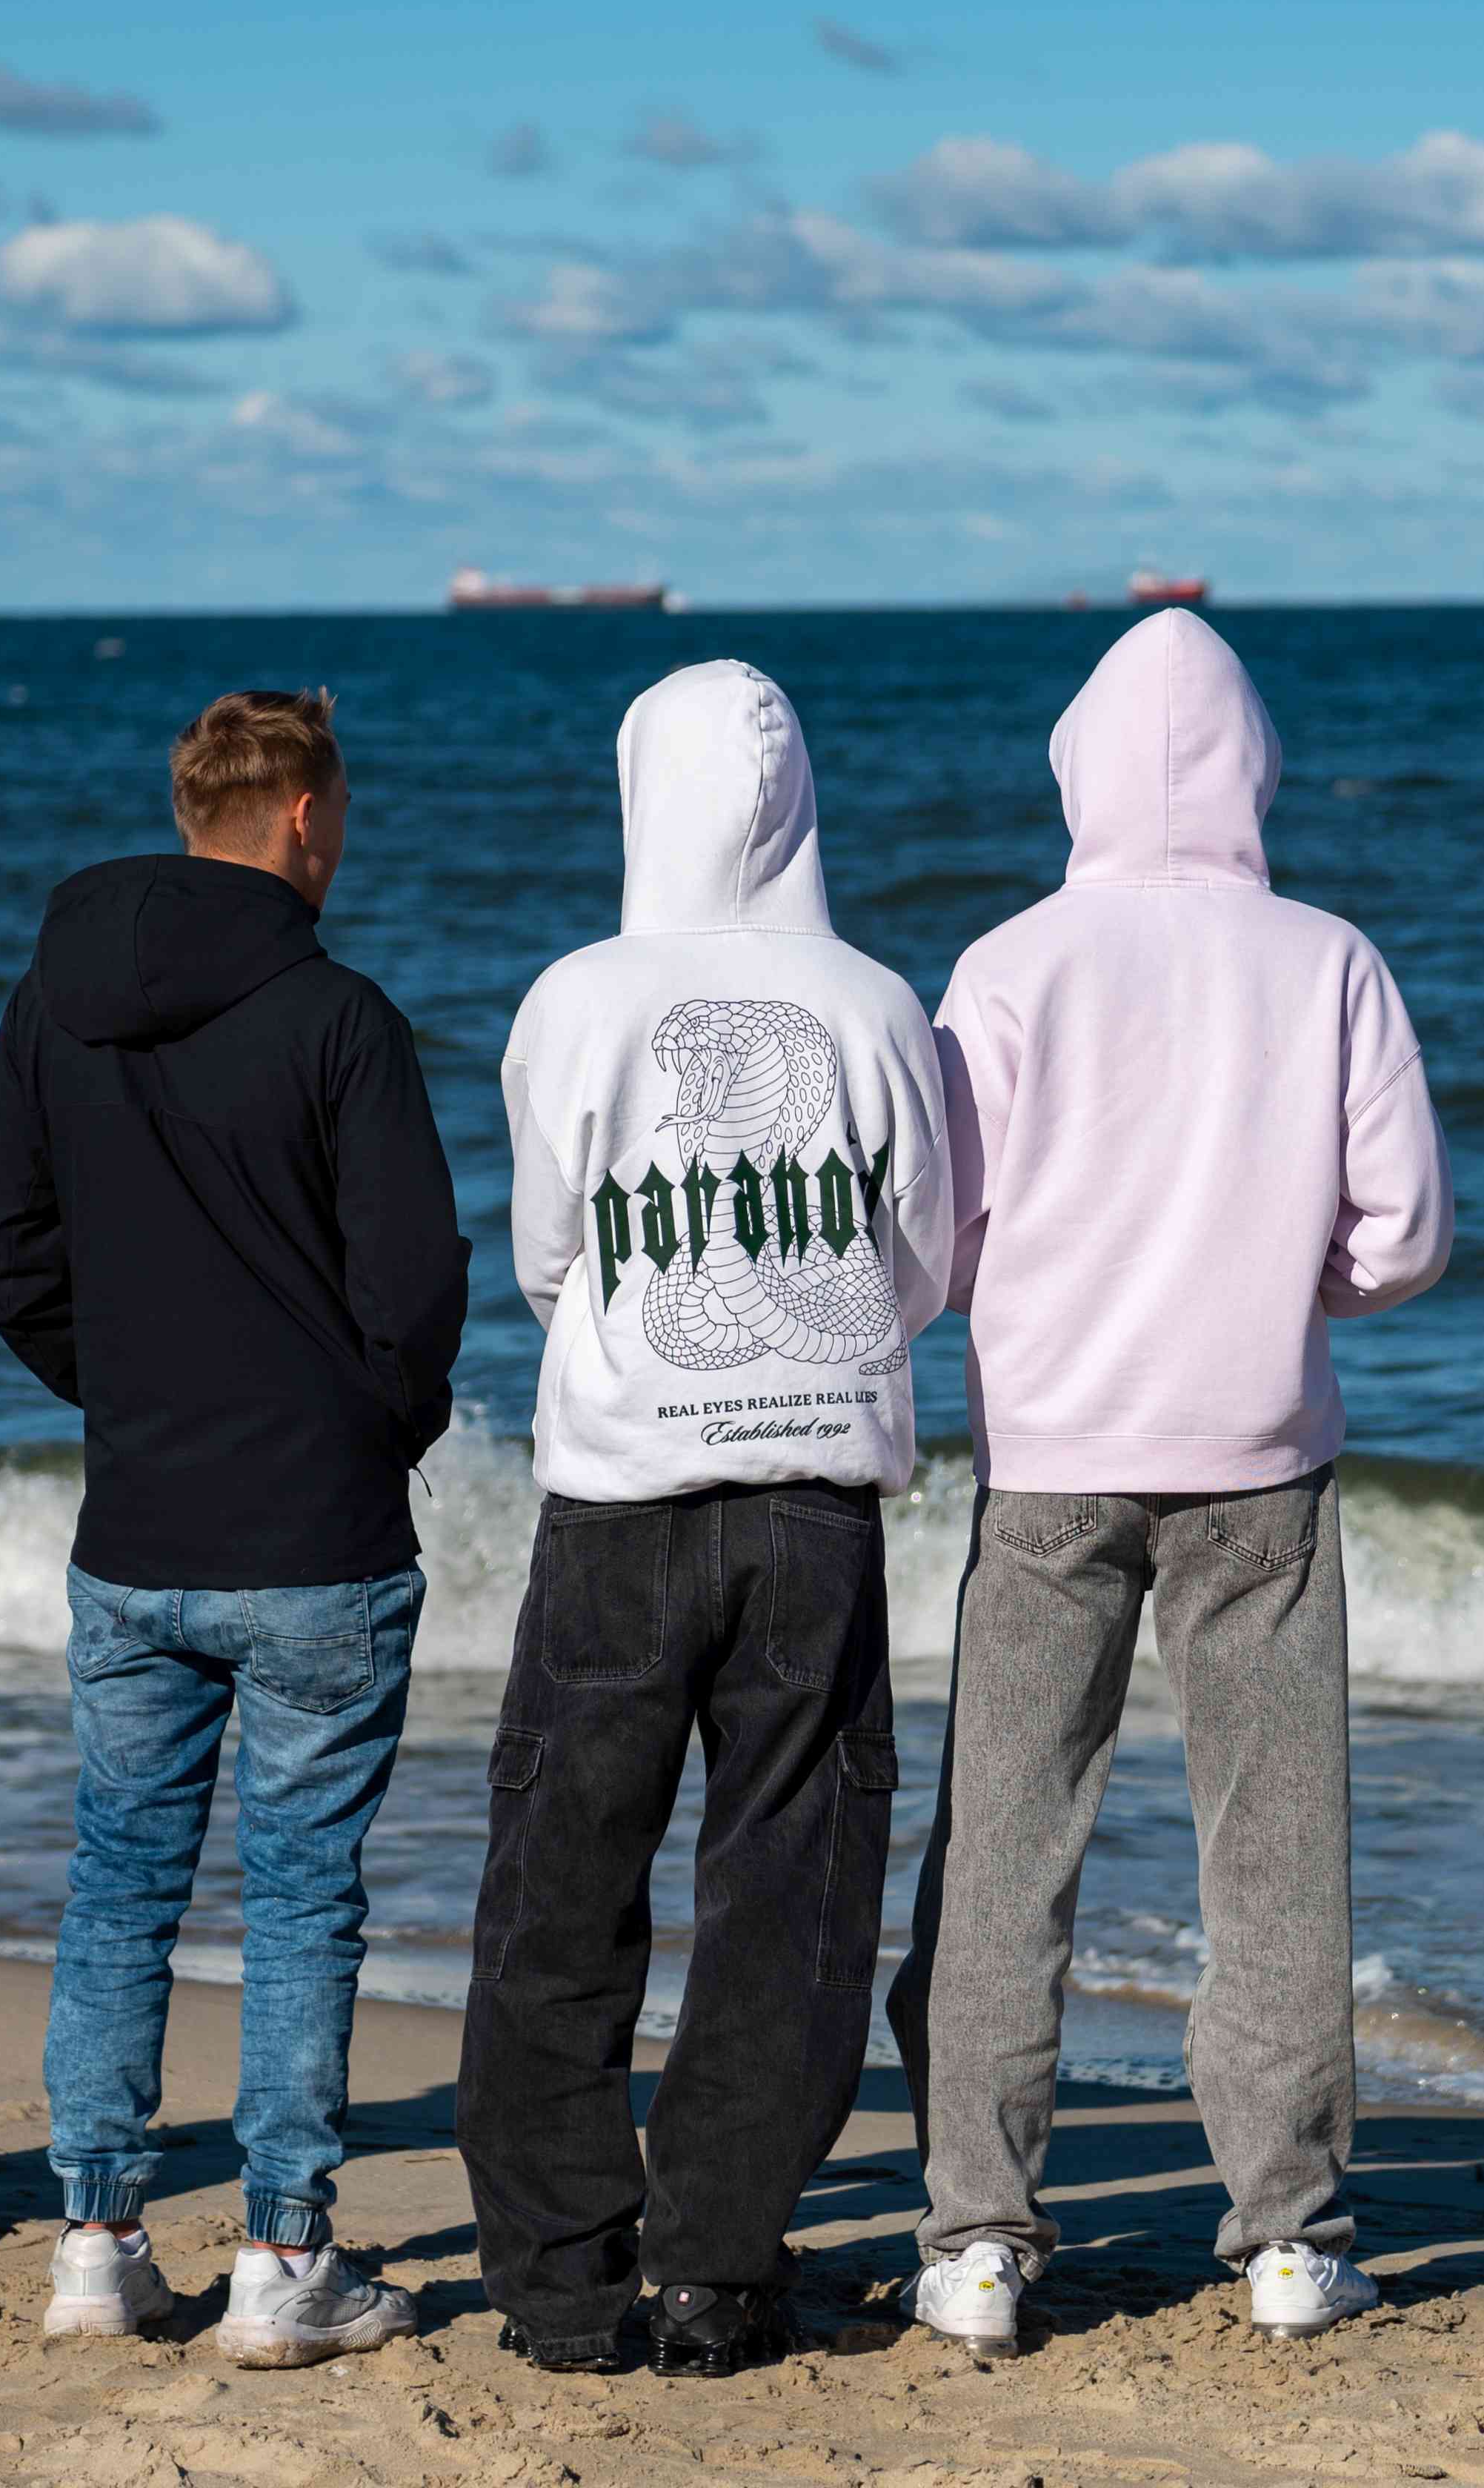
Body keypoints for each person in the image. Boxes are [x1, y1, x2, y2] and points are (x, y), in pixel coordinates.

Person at [889, 608, 1451, 2352]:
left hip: (1050, 1461)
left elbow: (937, 1237)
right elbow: (1405, 1234)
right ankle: (1287, 2235)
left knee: (1007, 1846)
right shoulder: (1328, 959)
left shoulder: (1009, 965)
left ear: (1077, 769)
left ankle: (977, 2238)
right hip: (1259, 1461)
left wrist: (1026, 1297)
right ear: (1253, 768)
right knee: (1275, 1859)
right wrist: (1288, 1284)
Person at [459, 659, 955, 2379]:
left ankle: (559, 2280)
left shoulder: (574, 999)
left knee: (563, 1881)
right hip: (818, 1501)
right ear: (800, 798)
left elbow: (548, 1260)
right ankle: (717, 2273)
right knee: (792, 1895)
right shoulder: (880, 1002)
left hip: (619, 1502)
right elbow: (919, 1261)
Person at [0, 688, 468, 2366]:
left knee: (121, 1881)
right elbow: (417, 1284)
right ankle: (282, 2256)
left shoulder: (55, 1002)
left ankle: (96, 2244)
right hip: (316, 1531)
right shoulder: (339, 1015)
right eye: (344, 814)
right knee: (304, 1897)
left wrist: (124, 1395)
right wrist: (373, 1420)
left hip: (139, 1520)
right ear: (304, 817)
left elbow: (11, 1253)